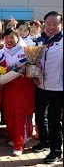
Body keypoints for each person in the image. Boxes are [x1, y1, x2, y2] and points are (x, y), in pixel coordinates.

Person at [32, 11, 63, 164]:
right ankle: (44, 142)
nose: (51, 27)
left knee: (54, 121)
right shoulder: (38, 41)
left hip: (58, 89)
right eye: (48, 24)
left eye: (55, 24)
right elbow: (31, 59)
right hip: (40, 86)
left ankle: (56, 151)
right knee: (39, 116)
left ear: (61, 25)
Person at [2, 28, 35, 156]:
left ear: (17, 37)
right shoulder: (1, 51)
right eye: (6, 38)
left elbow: (34, 66)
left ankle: (19, 144)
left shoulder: (27, 50)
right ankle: (13, 137)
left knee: (20, 115)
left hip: (24, 87)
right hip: (8, 87)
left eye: (11, 37)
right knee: (9, 114)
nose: (9, 40)